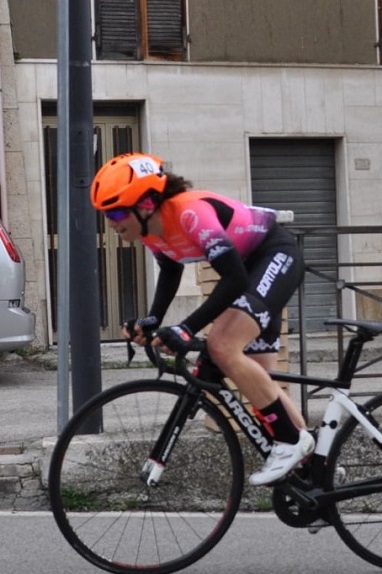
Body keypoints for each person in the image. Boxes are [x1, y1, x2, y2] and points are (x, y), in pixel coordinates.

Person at [90, 152, 314, 485]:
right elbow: (170, 269)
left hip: (272, 255)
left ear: (148, 203)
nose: (111, 221)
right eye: (106, 214)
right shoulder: (150, 231)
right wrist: (153, 320)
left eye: (118, 211)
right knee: (259, 380)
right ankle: (316, 467)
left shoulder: (190, 213)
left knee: (222, 347)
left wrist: (186, 328)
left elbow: (235, 281)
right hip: (250, 269)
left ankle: (292, 442)